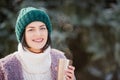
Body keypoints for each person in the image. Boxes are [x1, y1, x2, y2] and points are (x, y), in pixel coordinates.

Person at [0, 7, 75, 80]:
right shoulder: (5, 67)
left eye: (42, 28)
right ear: (23, 35)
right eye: (31, 29)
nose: (38, 34)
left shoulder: (59, 58)